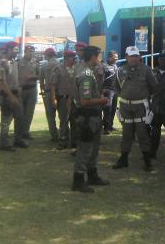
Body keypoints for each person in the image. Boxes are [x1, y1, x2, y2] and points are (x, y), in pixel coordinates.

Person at [71, 46, 111, 193]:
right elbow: (85, 101)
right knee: (85, 149)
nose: (100, 59)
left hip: (92, 116)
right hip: (87, 117)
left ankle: (92, 175)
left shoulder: (84, 70)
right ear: (93, 57)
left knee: (93, 149)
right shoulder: (86, 74)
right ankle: (78, 180)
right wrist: (102, 100)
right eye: (99, 56)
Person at [112, 46, 158, 172]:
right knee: (126, 133)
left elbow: (154, 87)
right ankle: (124, 159)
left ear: (139, 57)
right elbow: (116, 88)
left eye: (136, 56)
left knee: (142, 133)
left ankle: (147, 161)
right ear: (126, 57)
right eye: (131, 56)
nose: (133, 58)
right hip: (125, 106)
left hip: (141, 107)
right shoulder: (120, 71)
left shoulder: (147, 70)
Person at [0, 41, 28, 151]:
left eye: (17, 50)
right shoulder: (2, 63)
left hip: (16, 94)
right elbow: (2, 82)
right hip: (6, 95)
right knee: (6, 120)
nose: (17, 52)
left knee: (19, 117)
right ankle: (4, 144)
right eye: (15, 50)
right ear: (9, 50)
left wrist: (19, 87)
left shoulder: (14, 62)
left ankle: (18, 140)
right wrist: (10, 96)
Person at [50, 50, 78, 150]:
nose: (74, 59)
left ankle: (74, 141)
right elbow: (53, 85)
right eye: (72, 57)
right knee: (64, 120)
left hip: (75, 99)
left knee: (75, 120)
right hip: (63, 98)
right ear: (66, 58)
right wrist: (53, 99)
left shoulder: (77, 68)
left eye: (75, 57)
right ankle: (63, 141)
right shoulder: (58, 69)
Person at [18, 45, 39, 140]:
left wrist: (32, 77)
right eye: (29, 51)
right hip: (21, 89)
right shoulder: (18, 62)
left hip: (32, 89)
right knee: (20, 112)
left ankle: (26, 132)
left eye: (33, 51)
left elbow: (39, 75)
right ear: (25, 51)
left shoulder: (35, 62)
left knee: (29, 112)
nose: (31, 53)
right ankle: (19, 132)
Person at [39, 48, 60, 141]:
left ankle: (54, 135)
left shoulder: (43, 66)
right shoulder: (60, 64)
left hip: (48, 92)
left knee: (50, 116)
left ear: (47, 55)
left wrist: (43, 91)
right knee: (63, 116)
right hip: (60, 92)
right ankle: (64, 134)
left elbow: (41, 82)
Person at [101, 50, 119, 134]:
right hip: (107, 91)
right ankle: (106, 128)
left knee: (113, 109)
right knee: (107, 109)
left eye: (117, 58)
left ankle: (110, 125)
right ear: (109, 57)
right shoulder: (104, 66)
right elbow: (100, 79)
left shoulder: (115, 65)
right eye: (115, 58)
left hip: (114, 90)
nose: (116, 59)